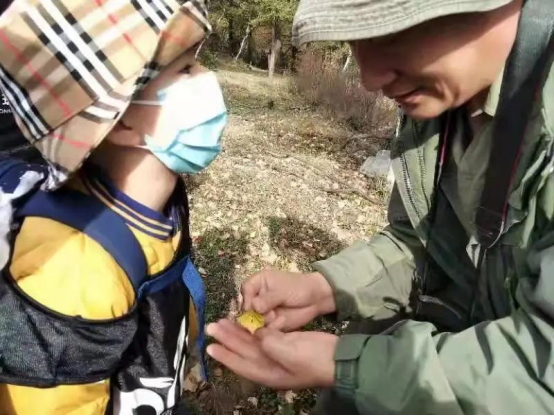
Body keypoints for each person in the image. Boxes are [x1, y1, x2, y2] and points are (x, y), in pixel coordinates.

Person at [207, 0, 554, 414]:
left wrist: (351, 366)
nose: (370, 78)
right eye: (356, 42)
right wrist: (324, 289)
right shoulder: (438, 109)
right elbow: (420, 244)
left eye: (391, 34)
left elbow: (542, 369)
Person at [0, 1, 225, 414]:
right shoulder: (75, 274)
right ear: (120, 120)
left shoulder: (160, 205)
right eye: (186, 69)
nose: (208, 77)